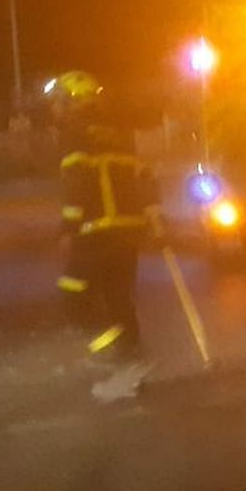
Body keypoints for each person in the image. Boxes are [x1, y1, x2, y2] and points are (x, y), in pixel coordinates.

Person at [48, 70, 162, 361]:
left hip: (96, 230)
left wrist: (68, 229)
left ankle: (107, 349)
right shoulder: (121, 135)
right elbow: (144, 178)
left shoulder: (75, 137)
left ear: (75, 102)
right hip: (128, 232)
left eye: (60, 102)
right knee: (118, 295)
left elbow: (78, 186)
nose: (55, 109)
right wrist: (156, 219)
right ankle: (130, 350)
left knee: (73, 292)